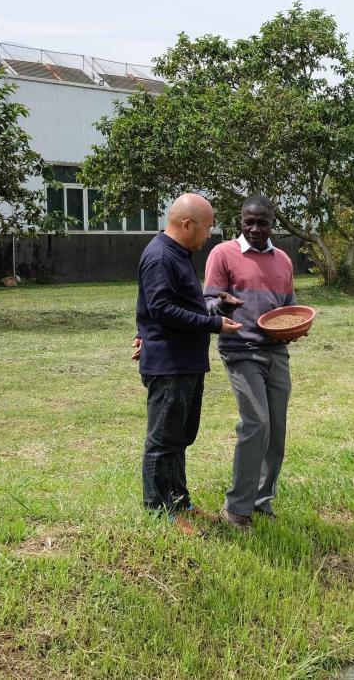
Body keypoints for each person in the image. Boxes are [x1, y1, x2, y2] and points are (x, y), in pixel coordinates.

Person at [134, 193, 243, 535]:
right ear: (186, 224)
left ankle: (180, 503)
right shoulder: (159, 257)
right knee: (163, 440)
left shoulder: (179, 254)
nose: (209, 234)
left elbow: (183, 302)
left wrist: (216, 304)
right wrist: (214, 324)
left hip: (186, 362)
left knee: (180, 437)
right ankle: (157, 510)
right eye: (207, 227)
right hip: (169, 365)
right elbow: (162, 309)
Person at [203, 195, 298, 530]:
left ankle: (262, 500)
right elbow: (208, 302)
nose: (255, 228)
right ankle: (236, 509)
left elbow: (289, 309)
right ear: (240, 221)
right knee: (256, 423)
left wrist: (293, 329)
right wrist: (221, 306)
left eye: (263, 222)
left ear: (273, 223)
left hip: (276, 352)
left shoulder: (283, 260)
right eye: (249, 222)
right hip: (240, 349)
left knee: (276, 430)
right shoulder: (223, 253)